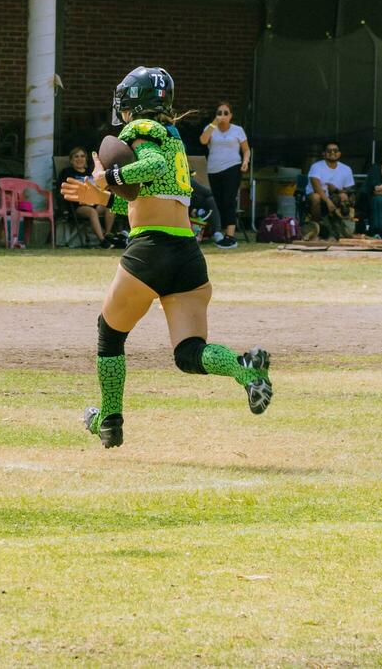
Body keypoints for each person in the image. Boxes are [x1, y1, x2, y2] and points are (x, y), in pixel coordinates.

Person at [62, 66, 272, 449]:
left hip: (150, 252)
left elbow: (149, 170)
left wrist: (107, 177)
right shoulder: (174, 139)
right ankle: (243, 371)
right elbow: (152, 199)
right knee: (188, 352)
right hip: (187, 253)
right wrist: (105, 199)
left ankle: (110, 417)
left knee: (110, 334)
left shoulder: (140, 130)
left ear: (132, 102)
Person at [198, 101, 249, 249]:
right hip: (214, 169)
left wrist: (245, 161)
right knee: (218, 201)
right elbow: (203, 140)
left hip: (232, 167)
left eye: (226, 113)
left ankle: (230, 235)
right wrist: (214, 123)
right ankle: (219, 232)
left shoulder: (237, 130)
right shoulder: (210, 128)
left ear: (231, 115)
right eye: (219, 113)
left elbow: (246, 149)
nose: (222, 116)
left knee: (229, 200)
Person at [58, 146, 121, 248]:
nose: (79, 159)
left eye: (82, 156)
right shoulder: (67, 173)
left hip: (95, 202)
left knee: (111, 204)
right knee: (92, 212)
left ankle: (108, 235)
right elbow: (63, 191)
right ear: (71, 160)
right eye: (76, 156)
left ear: (86, 159)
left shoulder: (91, 172)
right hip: (78, 206)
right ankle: (102, 241)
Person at [306, 140, 356, 240]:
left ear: (339, 153)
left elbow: (348, 190)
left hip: (335, 197)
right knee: (316, 197)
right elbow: (316, 188)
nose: (332, 153)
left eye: (335, 150)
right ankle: (317, 228)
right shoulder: (316, 167)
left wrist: (336, 190)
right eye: (329, 150)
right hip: (318, 196)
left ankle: (341, 230)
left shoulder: (346, 169)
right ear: (324, 154)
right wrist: (328, 201)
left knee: (344, 197)